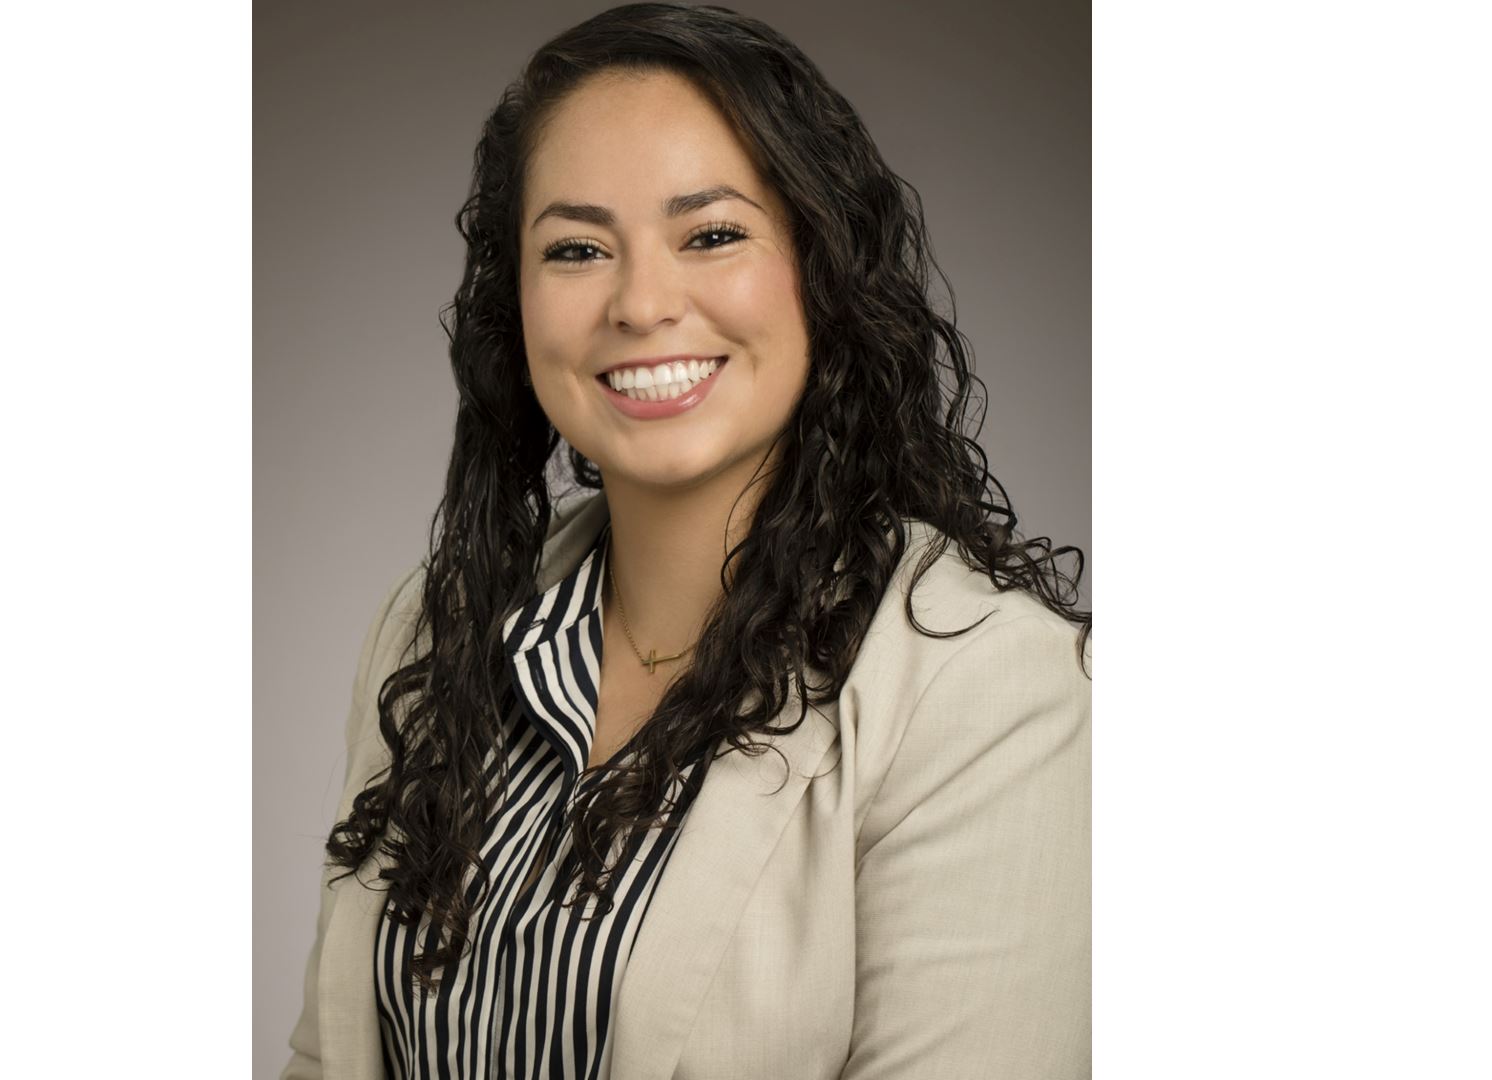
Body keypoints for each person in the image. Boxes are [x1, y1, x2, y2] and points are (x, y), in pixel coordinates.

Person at [280, 4, 1092, 1078]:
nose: (642, 302)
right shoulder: (432, 632)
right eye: (576, 249)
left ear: (821, 267)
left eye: (711, 234)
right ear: (511, 307)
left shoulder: (993, 689)